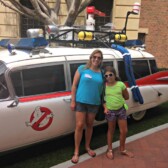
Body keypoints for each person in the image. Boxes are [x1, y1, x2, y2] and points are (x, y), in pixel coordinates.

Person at [70, 49, 104, 164]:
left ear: (101, 60)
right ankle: (76, 151)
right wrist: (73, 101)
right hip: (81, 102)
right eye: (94, 57)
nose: (96, 59)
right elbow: (74, 85)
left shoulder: (102, 73)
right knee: (79, 125)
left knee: (89, 125)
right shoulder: (82, 69)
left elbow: (103, 89)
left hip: (94, 103)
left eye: (99, 58)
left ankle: (87, 147)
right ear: (91, 58)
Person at [103, 66, 134, 159]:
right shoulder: (104, 86)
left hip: (121, 110)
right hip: (110, 111)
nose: (108, 77)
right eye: (106, 76)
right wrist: (105, 107)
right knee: (111, 130)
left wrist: (118, 99)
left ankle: (123, 149)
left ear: (115, 75)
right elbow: (102, 100)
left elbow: (127, 96)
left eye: (110, 75)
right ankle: (110, 149)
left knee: (124, 131)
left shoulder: (120, 84)